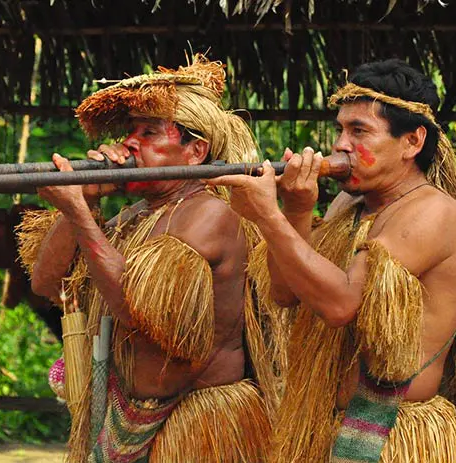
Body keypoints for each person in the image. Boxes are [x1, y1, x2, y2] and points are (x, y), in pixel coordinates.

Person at [208, 58, 456, 463]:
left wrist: (268, 215)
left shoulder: (432, 213)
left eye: (359, 131)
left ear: (412, 142)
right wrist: (297, 211)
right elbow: (287, 293)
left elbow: (341, 305)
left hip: (395, 433)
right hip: (325, 421)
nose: (340, 144)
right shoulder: (347, 204)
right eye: (340, 129)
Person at [16, 55, 283, 463]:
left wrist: (79, 215)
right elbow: (48, 284)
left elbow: (141, 313)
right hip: (128, 412)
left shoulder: (210, 215)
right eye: (129, 132)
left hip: (197, 422)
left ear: (196, 151)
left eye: (149, 132)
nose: (129, 143)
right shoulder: (136, 215)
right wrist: (83, 199)